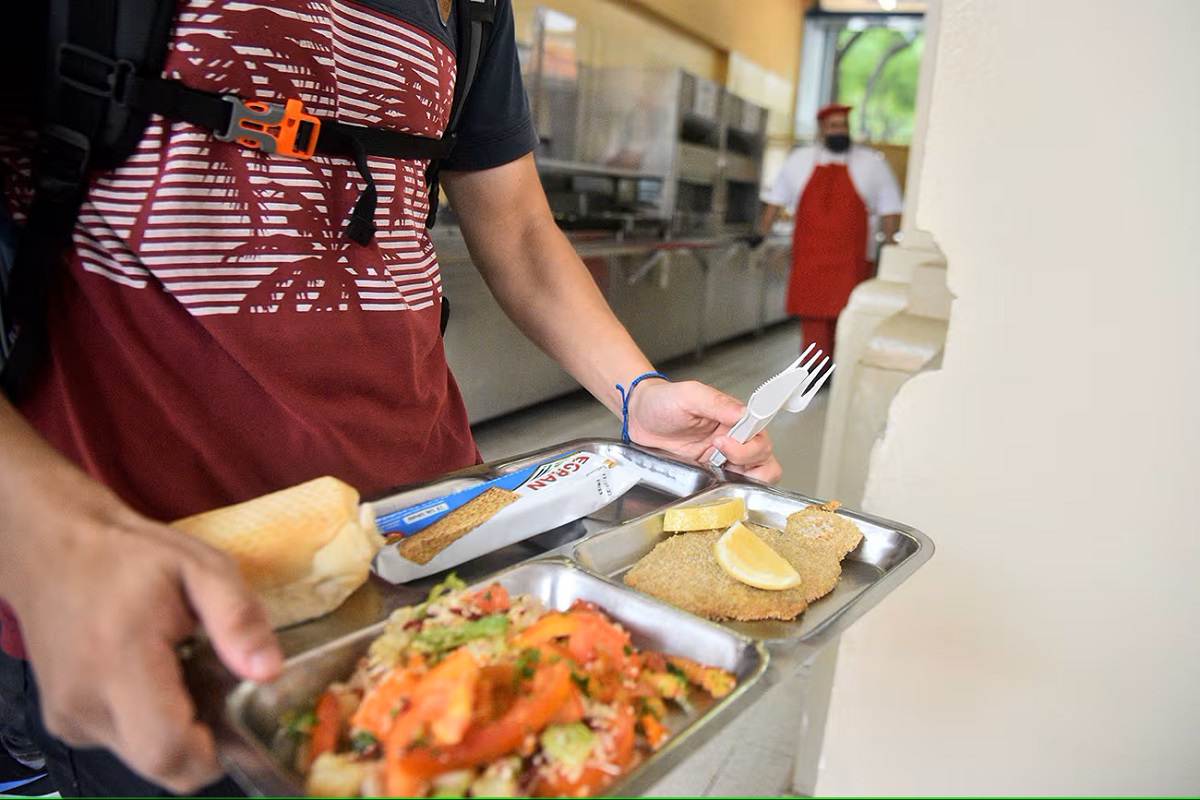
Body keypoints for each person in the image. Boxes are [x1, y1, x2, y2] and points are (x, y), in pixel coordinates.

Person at [0, 0, 781, 795]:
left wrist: (636, 390)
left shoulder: (475, 8)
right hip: (161, 573)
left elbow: (515, 224)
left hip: (440, 528)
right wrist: (50, 538)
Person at [749, 102, 902, 359]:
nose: (839, 130)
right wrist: (762, 233)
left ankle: (840, 368)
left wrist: (889, 247)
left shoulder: (871, 163)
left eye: (843, 124)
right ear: (821, 129)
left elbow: (890, 207)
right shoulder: (799, 161)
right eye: (833, 125)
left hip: (850, 260)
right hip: (810, 258)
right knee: (813, 321)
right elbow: (776, 200)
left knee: (848, 319)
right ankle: (815, 370)